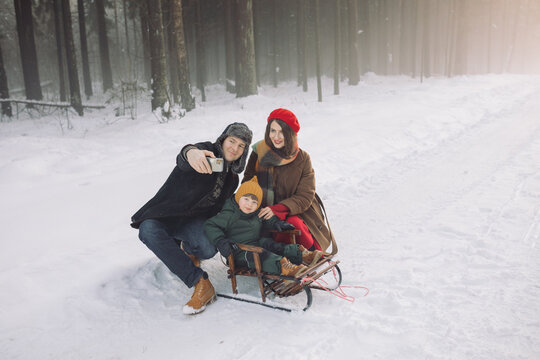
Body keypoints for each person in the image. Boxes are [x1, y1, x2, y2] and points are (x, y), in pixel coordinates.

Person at [130, 122, 252, 315]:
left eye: (241, 146)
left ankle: (185, 248)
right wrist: (190, 152)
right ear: (223, 139)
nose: (234, 148)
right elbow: (186, 156)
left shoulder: (232, 178)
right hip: (167, 214)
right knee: (148, 230)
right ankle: (200, 283)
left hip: (192, 222)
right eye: (232, 141)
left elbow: (219, 212)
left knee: (208, 248)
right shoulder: (208, 152)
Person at [242, 108, 334, 252]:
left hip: (295, 210)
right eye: (273, 131)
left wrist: (278, 209)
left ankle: (312, 254)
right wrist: (254, 208)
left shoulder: (303, 159)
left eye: (282, 132)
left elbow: (305, 196)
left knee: (292, 224)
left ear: (290, 134)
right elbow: (247, 185)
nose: (276, 137)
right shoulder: (258, 152)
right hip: (263, 211)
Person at [203, 176, 323, 277]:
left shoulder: (256, 212)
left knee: (272, 245)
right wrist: (221, 241)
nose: (249, 205)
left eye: (254, 202)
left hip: (257, 244)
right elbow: (210, 225)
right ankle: (284, 267)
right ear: (239, 197)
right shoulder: (229, 215)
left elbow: (267, 219)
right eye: (246, 199)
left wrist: (276, 223)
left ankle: (302, 255)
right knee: (261, 255)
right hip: (239, 253)